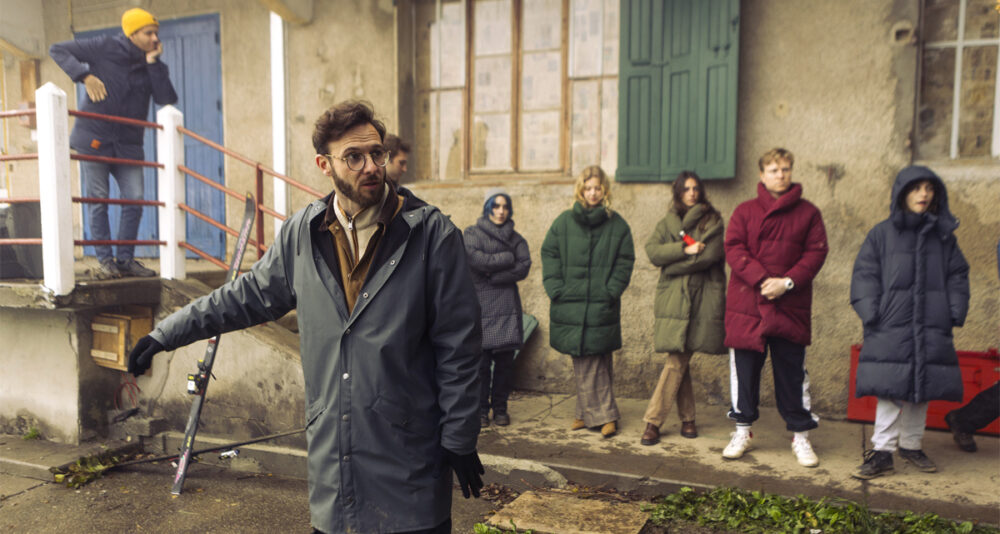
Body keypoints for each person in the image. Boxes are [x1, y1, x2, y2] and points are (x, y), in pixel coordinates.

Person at [126, 101, 484, 534]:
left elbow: (460, 346)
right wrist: (167, 333)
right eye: (354, 157)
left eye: (377, 153)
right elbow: (243, 297)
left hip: (409, 467)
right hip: (337, 473)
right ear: (324, 165)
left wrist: (459, 436)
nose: (371, 166)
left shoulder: (431, 235)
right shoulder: (303, 234)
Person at [850, 166, 970, 478]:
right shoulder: (881, 234)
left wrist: (954, 311)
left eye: (930, 189)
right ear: (903, 193)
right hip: (891, 324)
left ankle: (912, 445)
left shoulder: (943, 237)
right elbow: (865, 274)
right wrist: (872, 312)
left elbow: (958, 274)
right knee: (891, 389)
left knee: (922, 388)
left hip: (931, 324)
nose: (924, 194)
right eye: (917, 188)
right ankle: (882, 451)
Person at [50, 8, 178, 279]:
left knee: (134, 199)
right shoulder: (104, 46)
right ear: (132, 34)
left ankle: (125, 261)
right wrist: (84, 75)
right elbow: (58, 49)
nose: (155, 38)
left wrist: (154, 63)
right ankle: (105, 262)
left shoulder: (149, 63)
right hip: (94, 139)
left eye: (156, 33)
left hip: (129, 144)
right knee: (98, 200)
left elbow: (166, 98)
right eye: (149, 33)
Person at [722, 148, 828, 467]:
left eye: (785, 169)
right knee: (744, 373)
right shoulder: (744, 212)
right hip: (748, 305)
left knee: (792, 374)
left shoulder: (809, 213)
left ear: (791, 172)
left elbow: (816, 252)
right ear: (761, 175)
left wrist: (788, 282)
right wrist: (762, 279)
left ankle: (801, 436)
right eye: (773, 169)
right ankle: (742, 431)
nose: (780, 175)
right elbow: (733, 247)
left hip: (789, 305)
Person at [541, 165, 634, 439]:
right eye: (588, 188)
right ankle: (595, 413)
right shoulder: (563, 222)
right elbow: (549, 253)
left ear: (604, 190)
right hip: (569, 303)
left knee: (597, 357)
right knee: (586, 358)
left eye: (597, 188)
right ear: (581, 190)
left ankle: (597, 414)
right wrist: (555, 287)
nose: (593, 193)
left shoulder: (617, 224)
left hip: (600, 303)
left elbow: (625, 260)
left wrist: (611, 290)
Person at [640, 171, 726, 446]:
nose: (692, 193)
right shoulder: (668, 223)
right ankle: (688, 418)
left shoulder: (712, 220)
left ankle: (653, 421)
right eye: (686, 189)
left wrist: (672, 265)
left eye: (695, 188)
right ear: (678, 193)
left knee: (678, 359)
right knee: (680, 359)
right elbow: (653, 252)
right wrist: (684, 250)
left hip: (701, 298)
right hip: (674, 299)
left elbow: (710, 256)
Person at [463, 188, 531, 428]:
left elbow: (524, 265)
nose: (501, 212)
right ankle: (481, 410)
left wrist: (495, 276)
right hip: (482, 306)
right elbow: (476, 260)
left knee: (504, 365)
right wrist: (506, 259)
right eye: (496, 206)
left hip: (506, 305)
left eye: (505, 207)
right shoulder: (472, 233)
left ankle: (500, 409)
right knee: (481, 366)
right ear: (488, 208)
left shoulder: (516, 238)